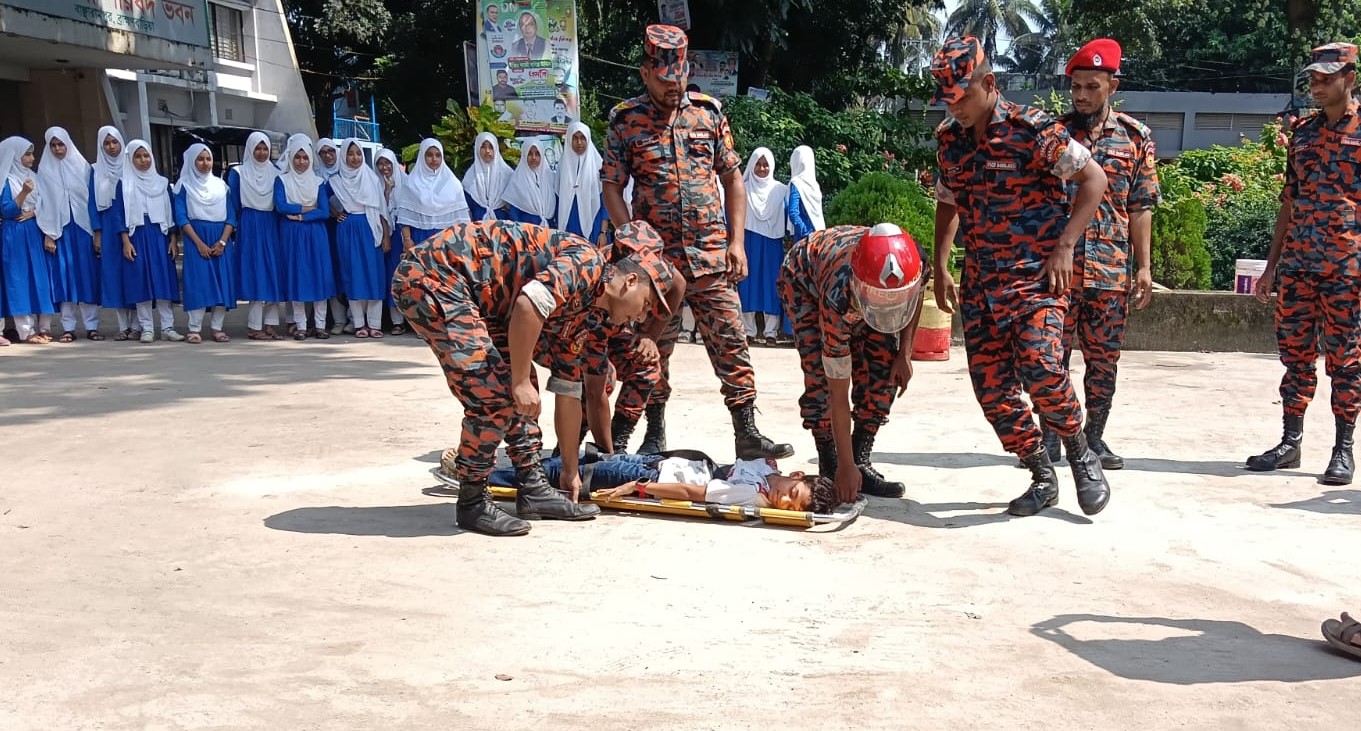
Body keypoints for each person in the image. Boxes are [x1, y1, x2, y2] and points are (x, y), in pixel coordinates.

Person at [391, 219, 677, 536]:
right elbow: (529, 305)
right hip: (436, 277)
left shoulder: (584, 312)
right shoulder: (586, 263)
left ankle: (534, 488)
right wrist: (518, 381)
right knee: (495, 395)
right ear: (630, 282)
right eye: (645, 306)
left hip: (490, 302)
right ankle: (472, 501)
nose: (640, 318)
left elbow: (570, 392)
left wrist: (570, 472)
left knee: (525, 399)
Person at [930, 36, 1111, 518]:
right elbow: (948, 200)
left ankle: (1080, 454)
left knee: (1042, 367)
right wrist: (941, 262)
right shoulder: (950, 141)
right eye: (947, 101)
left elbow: (1095, 181)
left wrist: (1066, 247)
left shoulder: (1035, 132)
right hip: (982, 286)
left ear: (988, 85)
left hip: (1036, 281)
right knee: (992, 391)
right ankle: (1040, 474)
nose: (956, 110)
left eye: (962, 97)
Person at [601, 23, 791, 461]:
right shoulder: (626, 121)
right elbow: (612, 185)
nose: (674, 88)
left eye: (680, 78)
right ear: (646, 72)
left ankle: (746, 432)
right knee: (652, 350)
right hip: (657, 266)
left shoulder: (708, 113)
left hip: (710, 257)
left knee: (731, 343)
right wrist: (633, 244)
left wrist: (737, 242)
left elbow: (733, 178)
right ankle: (654, 433)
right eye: (665, 80)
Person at [1044, 39, 1162, 468]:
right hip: (1059, 270)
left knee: (1104, 359)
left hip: (1110, 272)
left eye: (1091, 86)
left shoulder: (1135, 138)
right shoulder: (1054, 135)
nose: (1080, 95)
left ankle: (1094, 437)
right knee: (1051, 355)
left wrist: (1144, 266)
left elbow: (1141, 205)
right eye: (1075, 86)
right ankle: (1053, 436)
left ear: (1113, 84)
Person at [1249, 42, 1361, 485]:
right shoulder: (1303, 133)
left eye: (1326, 78)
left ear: (1349, 78)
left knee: (1346, 360)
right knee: (1295, 357)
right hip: (1298, 265)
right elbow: (1289, 203)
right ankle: (1290, 443)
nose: (1316, 85)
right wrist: (1271, 266)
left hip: (1346, 269)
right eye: (1312, 78)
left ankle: (1343, 449)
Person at [780, 223, 926, 501]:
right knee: (820, 378)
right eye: (881, 303)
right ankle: (831, 465)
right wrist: (841, 467)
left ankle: (861, 461)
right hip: (805, 281)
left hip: (864, 289)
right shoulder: (837, 297)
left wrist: (904, 353)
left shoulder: (913, 261)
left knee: (883, 369)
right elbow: (838, 394)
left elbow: (916, 295)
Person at [483, 449, 837, 513]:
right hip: (657, 463)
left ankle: (481, 474)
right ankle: (480, 467)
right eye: (793, 493)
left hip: (649, 476)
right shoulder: (765, 467)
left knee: (563, 474)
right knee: (563, 466)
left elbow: (691, 493)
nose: (785, 502)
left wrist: (639, 489)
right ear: (796, 476)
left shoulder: (753, 495)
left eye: (791, 506)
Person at [395, 139, 471, 335]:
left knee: (444, 281)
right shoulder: (412, 183)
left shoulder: (452, 182)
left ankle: (444, 321)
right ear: (422, 157)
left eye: (437, 155)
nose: (434, 159)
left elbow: (462, 216)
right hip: (421, 238)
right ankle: (422, 324)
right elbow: (404, 215)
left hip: (445, 241)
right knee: (421, 281)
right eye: (429, 155)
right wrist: (407, 239)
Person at [112, 140, 183, 343]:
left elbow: (170, 211)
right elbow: (119, 213)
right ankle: (147, 328)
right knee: (141, 282)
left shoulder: (161, 183)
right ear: (131, 159)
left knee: (163, 282)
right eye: (138, 156)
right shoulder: (124, 184)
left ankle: (168, 327)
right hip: (137, 234)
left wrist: (173, 239)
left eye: (146, 156)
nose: (143, 160)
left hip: (159, 235)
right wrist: (126, 241)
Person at [37, 127, 102, 342]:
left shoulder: (83, 168)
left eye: (61, 144)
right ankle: (68, 327)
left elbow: (91, 201)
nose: (57, 149)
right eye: (53, 145)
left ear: (68, 143)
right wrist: (48, 234)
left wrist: (96, 232)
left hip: (83, 229)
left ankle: (92, 326)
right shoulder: (44, 171)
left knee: (86, 277)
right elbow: (43, 204)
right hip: (60, 231)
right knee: (65, 278)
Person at [172, 144, 236, 343]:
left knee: (222, 282)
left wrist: (223, 242)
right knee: (198, 283)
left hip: (220, 239)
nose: (205, 163)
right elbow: (181, 217)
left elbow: (232, 217)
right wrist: (199, 243)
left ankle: (217, 328)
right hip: (196, 239)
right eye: (200, 159)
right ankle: (194, 328)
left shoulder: (221, 186)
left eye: (208, 159)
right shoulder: (184, 185)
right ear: (191, 161)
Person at [274, 135, 336, 339]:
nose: (301, 162)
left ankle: (319, 326)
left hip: (315, 233)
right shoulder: (282, 180)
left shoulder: (318, 182)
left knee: (319, 276)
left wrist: (300, 215)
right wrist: (308, 208)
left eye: (305, 158)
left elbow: (325, 212)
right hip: (292, 235)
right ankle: (301, 326)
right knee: (297, 276)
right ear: (291, 158)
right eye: (298, 157)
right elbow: (281, 206)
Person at [330, 139, 390, 338]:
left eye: (358, 153)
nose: (354, 158)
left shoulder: (371, 178)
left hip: (370, 228)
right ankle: (358, 324)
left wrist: (385, 235)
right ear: (344, 156)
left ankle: (375, 324)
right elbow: (321, 200)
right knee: (353, 275)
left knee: (374, 275)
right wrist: (334, 213)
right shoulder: (336, 181)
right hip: (347, 229)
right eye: (350, 153)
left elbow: (381, 209)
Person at [228, 131, 283, 340]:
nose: (261, 153)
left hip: (271, 225)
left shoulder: (276, 173)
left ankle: (270, 325)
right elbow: (233, 204)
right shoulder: (239, 173)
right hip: (249, 225)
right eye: (257, 148)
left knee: (272, 273)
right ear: (250, 149)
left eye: (265, 148)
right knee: (256, 273)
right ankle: (254, 326)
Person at [1, 136, 56, 344]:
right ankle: (26, 331)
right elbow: (6, 210)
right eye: (27, 154)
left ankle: (44, 327)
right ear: (14, 155)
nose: (32, 158)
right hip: (14, 233)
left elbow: (48, 203)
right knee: (19, 279)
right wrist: (24, 193)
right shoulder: (6, 179)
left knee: (40, 279)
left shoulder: (35, 176)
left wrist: (34, 212)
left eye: (32, 153)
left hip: (34, 230)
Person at [736, 148, 787, 345]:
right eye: (758, 164)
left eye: (766, 164)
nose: (762, 168)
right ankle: (748, 330)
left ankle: (771, 332)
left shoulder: (780, 190)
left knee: (771, 284)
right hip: (748, 239)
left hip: (772, 243)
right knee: (747, 284)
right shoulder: (743, 187)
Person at [91, 126, 136, 340]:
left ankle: (138, 325)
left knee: (134, 272)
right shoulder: (95, 170)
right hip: (108, 226)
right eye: (106, 143)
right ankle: (123, 326)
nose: (111, 147)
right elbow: (92, 203)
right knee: (114, 275)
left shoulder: (132, 165)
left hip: (134, 223)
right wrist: (97, 232)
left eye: (114, 142)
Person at [315, 137, 349, 335]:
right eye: (323, 153)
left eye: (331, 152)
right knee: (332, 272)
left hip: (345, 227)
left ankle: (355, 319)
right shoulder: (316, 177)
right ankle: (338, 320)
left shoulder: (347, 174)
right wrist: (331, 212)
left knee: (348, 270)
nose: (328, 156)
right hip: (325, 229)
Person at [374, 147, 408, 336]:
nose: (384, 167)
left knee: (405, 276)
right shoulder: (373, 184)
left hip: (403, 235)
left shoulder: (407, 183)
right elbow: (379, 211)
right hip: (384, 234)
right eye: (380, 163)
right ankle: (396, 321)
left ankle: (411, 319)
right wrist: (386, 192)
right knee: (389, 277)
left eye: (388, 163)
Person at [557, 122, 606, 244]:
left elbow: (605, 202)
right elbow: (556, 198)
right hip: (568, 224)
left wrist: (603, 233)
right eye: (575, 138)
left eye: (583, 138)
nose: (579, 142)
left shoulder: (598, 166)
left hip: (594, 224)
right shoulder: (562, 167)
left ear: (588, 139)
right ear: (569, 140)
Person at [502, 139, 557, 227]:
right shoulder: (517, 180)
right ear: (524, 155)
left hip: (549, 231)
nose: (534, 157)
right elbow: (514, 213)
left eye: (537, 154)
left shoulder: (551, 178)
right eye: (530, 154)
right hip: (527, 232)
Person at [463, 132, 512, 222]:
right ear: (477, 149)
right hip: (478, 225)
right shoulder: (470, 176)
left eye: (491, 147)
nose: (487, 151)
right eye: (483, 147)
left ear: (496, 149)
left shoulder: (507, 174)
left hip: (503, 225)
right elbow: (467, 206)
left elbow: (514, 205)